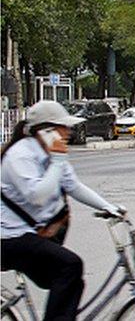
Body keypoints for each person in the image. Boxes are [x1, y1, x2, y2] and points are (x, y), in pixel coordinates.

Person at [1, 100, 124, 321]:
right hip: (8, 238)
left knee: (72, 279)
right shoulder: (20, 155)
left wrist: (109, 207)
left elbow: (74, 186)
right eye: (63, 127)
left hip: (26, 236)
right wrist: (57, 162)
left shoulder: (51, 152)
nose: (68, 132)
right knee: (70, 265)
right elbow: (37, 196)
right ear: (45, 130)